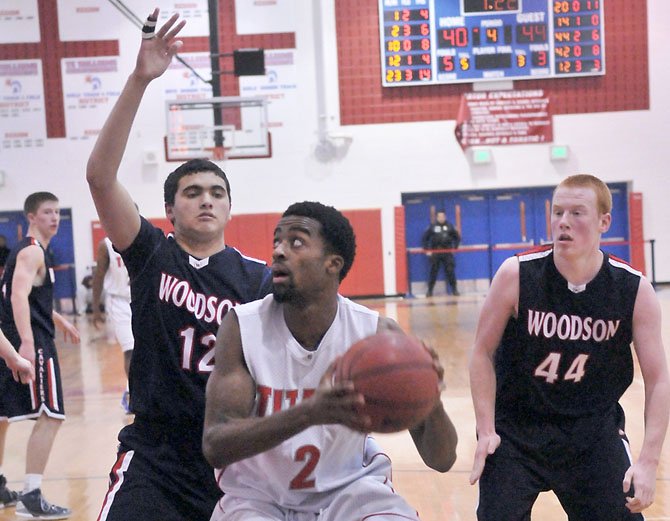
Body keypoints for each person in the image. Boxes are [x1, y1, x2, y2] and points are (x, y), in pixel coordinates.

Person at [87, 9, 272, 521]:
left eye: (217, 192)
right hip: (155, 453)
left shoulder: (256, 278)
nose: (206, 200)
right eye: (192, 193)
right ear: (171, 210)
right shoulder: (152, 254)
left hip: (232, 455)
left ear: (230, 208)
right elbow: (100, 177)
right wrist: (140, 79)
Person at [203, 201, 459, 520]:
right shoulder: (243, 327)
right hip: (258, 499)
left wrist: (429, 398)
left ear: (332, 263)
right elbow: (216, 446)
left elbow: (443, 459)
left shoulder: (377, 335)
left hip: (350, 492)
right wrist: (310, 413)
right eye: (277, 241)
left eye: (296, 241)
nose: (279, 252)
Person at [469, 174, 670, 520]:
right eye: (557, 212)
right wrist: (486, 429)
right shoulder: (516, 275)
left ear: (604, 222)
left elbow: (659, 379)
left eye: (577, 213)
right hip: (517, 430)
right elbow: (481, 352)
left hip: (592, 434)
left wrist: (649, 461)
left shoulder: (633, 290)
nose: (563, 222)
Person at [0, 191, 81, 519]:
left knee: (3, 418)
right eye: (47, 212)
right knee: (51, 415)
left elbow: (18, 294)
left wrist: (57, 317)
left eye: (57, 212)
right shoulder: (33, 252)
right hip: (30, 344)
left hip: (9, 337)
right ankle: (31, 495)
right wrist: (28, 344)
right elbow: (18, 295)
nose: (54, 217)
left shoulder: (27, 252)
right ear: (31, 217)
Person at [91, 236, 134, 413]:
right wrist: (95, 308)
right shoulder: (106, 245)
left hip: (141, 298)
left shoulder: (144, 239)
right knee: (130, 349)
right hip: (119, 302)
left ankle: (136, 390)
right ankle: (133, 394)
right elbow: (99, 275)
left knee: (147, 350)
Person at [421, 210, 460, 296]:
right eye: (439, 216)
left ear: (445, 217)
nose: (441, 218)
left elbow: (457, 237)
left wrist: (455, 248)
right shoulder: (432, 227)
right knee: (433, 271)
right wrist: (427, 250)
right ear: (437, 217)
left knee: (450, 271)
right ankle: (430, 291)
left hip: (447, 252)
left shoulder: (450, 226)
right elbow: (425, 238)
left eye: (443, 216)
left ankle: (454, 290)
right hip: (436, 252)